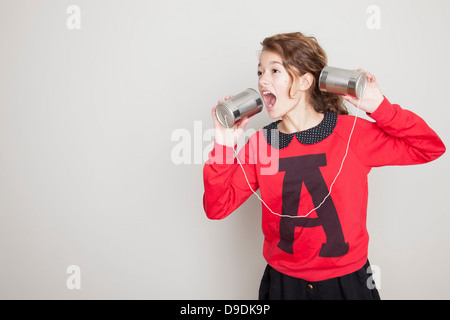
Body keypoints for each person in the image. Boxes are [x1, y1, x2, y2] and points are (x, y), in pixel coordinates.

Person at [202, 32, 446, 300]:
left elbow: (429, 148)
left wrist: (380, 107)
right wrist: (224, 145)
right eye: (260, 72)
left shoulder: (351, 133)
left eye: (274, 70)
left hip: (347, 283)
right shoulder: (260, 144)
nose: (262, 81)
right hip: (283, 285)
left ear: (306, 81)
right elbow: (217, 208)